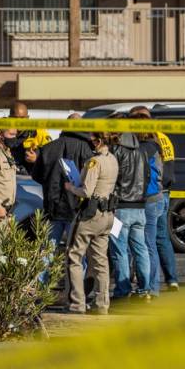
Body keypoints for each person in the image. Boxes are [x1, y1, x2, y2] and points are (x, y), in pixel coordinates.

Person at [64, 132, 119, 314]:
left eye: (91, 139)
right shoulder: (112, 159)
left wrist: (71, 187)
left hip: (91, 214)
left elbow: (86, 191)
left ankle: (77, 303)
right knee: (100, 261)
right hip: (107, 215)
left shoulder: (95, 162)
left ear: (99, 141)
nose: (89, 142)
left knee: (74, 256)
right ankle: (103, 304)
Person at [128, 106, 180, 294]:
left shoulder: (143, 140)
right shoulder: (162, 138)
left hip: (151, 194)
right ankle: (172, 278)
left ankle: (150, 287)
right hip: (163, 193)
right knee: (162, 238)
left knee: (148, 242)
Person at [30, 124, 95, 250]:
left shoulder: (48, 148)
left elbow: (36, 175)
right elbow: (91, 180)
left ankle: (45, 270)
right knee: (77, 253)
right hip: (77, 209)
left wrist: (49, 183)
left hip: (52, 207)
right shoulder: (87, 149)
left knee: (47, 252)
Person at [110, 129, 151, 300]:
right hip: (140, 208)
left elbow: (113, 178)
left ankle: (122, 290)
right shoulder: (142, 152)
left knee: (119, 251)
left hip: (120, 208)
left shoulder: (116, 151)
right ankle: (144, 289)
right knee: (141, 250)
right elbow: (148, 176)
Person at [7, 101, 52, 174]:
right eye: (15, 118)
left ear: (27, 118)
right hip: (7, 177)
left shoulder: (38, 132)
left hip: (31, 178)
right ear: (9, 118)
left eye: (22, 118)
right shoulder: (2, 132)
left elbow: (51, 154)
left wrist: (36, 157)